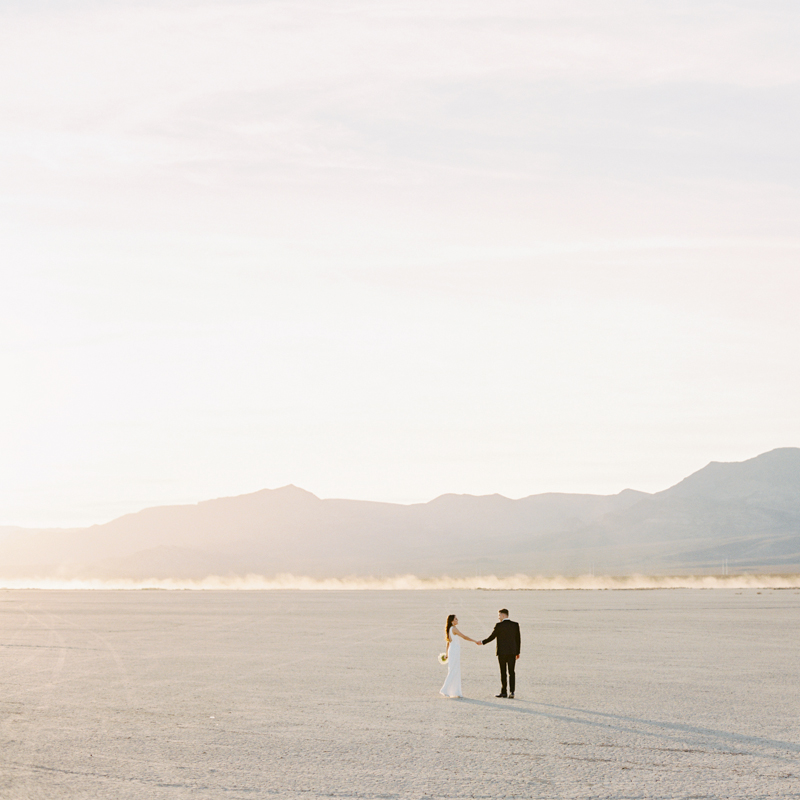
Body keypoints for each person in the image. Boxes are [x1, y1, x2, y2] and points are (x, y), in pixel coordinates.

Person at [477, 608, 521, 698]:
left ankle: (504, 692)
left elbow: (492, 637)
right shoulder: (515, 625)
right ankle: (512, 692)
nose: (498, 617)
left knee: (503, 672)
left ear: (503, 615)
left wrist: (482, 642)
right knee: (512, 672)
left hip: (502, 652)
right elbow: (518, 640)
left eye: (499, 615)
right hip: (512, 652)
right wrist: (517, 652)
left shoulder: (499, 625)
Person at [440, 614, 479, 698]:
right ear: (452, 621)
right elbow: (464, 637)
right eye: (456, 619)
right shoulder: (454, 628)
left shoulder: (450, 629)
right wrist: (474, 641)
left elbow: (448, 642)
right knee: (453, 670)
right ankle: (444, 689)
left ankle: (456, 691)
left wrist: (447, 653)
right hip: (454, 651)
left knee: (455, 670)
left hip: (453, 650)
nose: (457, 620)